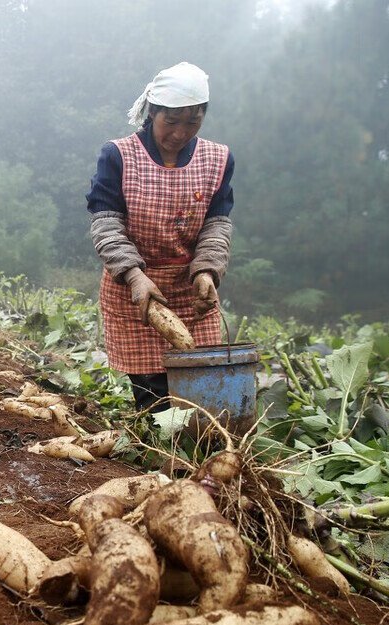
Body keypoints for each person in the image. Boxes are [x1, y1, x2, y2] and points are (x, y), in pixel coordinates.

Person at [86, 62, 234, 412]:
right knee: (156, 401)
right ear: (152, 113)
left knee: (202, 390)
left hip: (189, 289)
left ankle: (203, 456)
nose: (181, 133)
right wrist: (135, 276)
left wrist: (207, 271)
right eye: (172, 121)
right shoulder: (118, 155)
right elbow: (106, 223)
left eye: (193, 121)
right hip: (134, 291)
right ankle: (162, 457)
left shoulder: (217, 158)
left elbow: (217, 223)